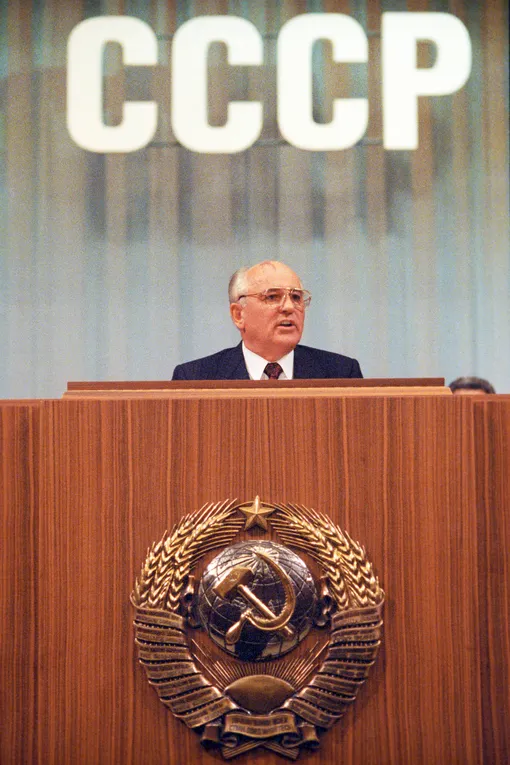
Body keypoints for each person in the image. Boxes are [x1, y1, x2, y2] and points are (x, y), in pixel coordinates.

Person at [172, 260, 362, 380]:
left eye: (296, 297)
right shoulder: (195, 379)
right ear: (239, 314)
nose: (289, 307)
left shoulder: (341, 374)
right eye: (272, 297)